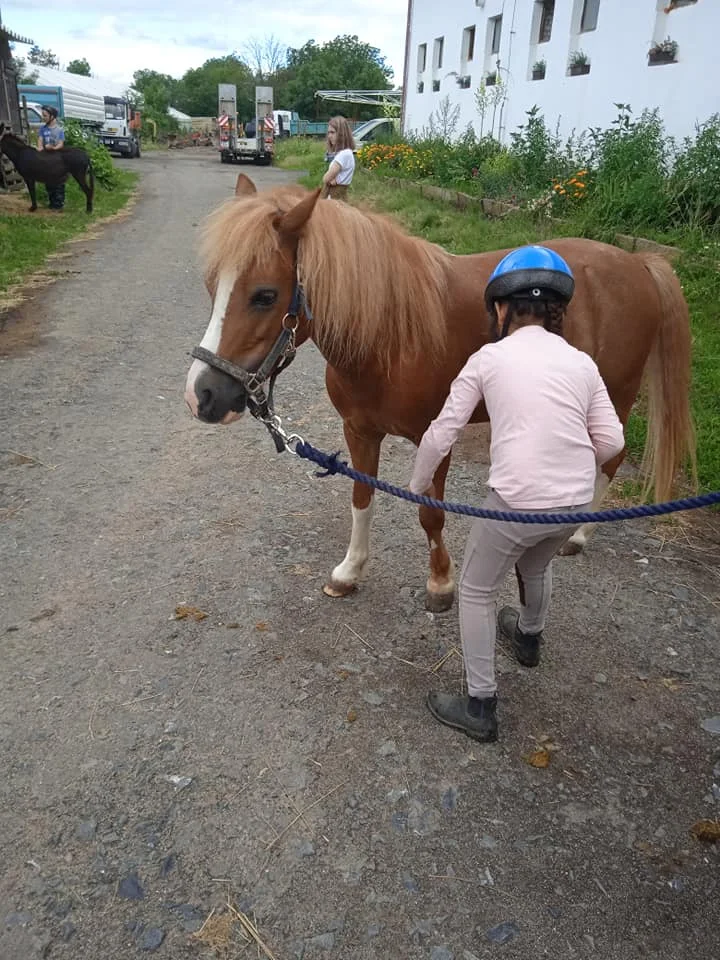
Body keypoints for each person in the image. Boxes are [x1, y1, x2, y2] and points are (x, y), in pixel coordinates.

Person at [409, 246, 625, 743]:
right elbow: (612, 442)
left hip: (514, 503)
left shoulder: (488, 357)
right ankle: (528, 638)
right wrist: (568, 469)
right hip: (573, 503)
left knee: (477, 590)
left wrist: (418, 485)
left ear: (501, 310)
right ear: (556, 312)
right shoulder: (582, 363)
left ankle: (480, 704)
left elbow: (442, 433)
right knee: (536, 563)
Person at [36, 106, 66, 211]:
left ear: (52, 116)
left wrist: (53, 148)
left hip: (56, 160)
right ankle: (51, 202)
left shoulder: (59, 130)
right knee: (48, 182)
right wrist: (40, 147)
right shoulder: (43, 129)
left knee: (58, 182)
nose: (43, 117)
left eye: (45, 116)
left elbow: (61, 144)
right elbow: (40, 140)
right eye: (43, 115)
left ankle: (59, 204)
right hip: (46, 159)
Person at [321, 116, 355, 201]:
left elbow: (326, 178)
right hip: (339, 196)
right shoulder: (347, 153)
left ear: (341, 133)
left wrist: (329, 178)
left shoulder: (344, 155)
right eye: (328, 133)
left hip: (334, 198)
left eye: (333, 132)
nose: (329, 136)